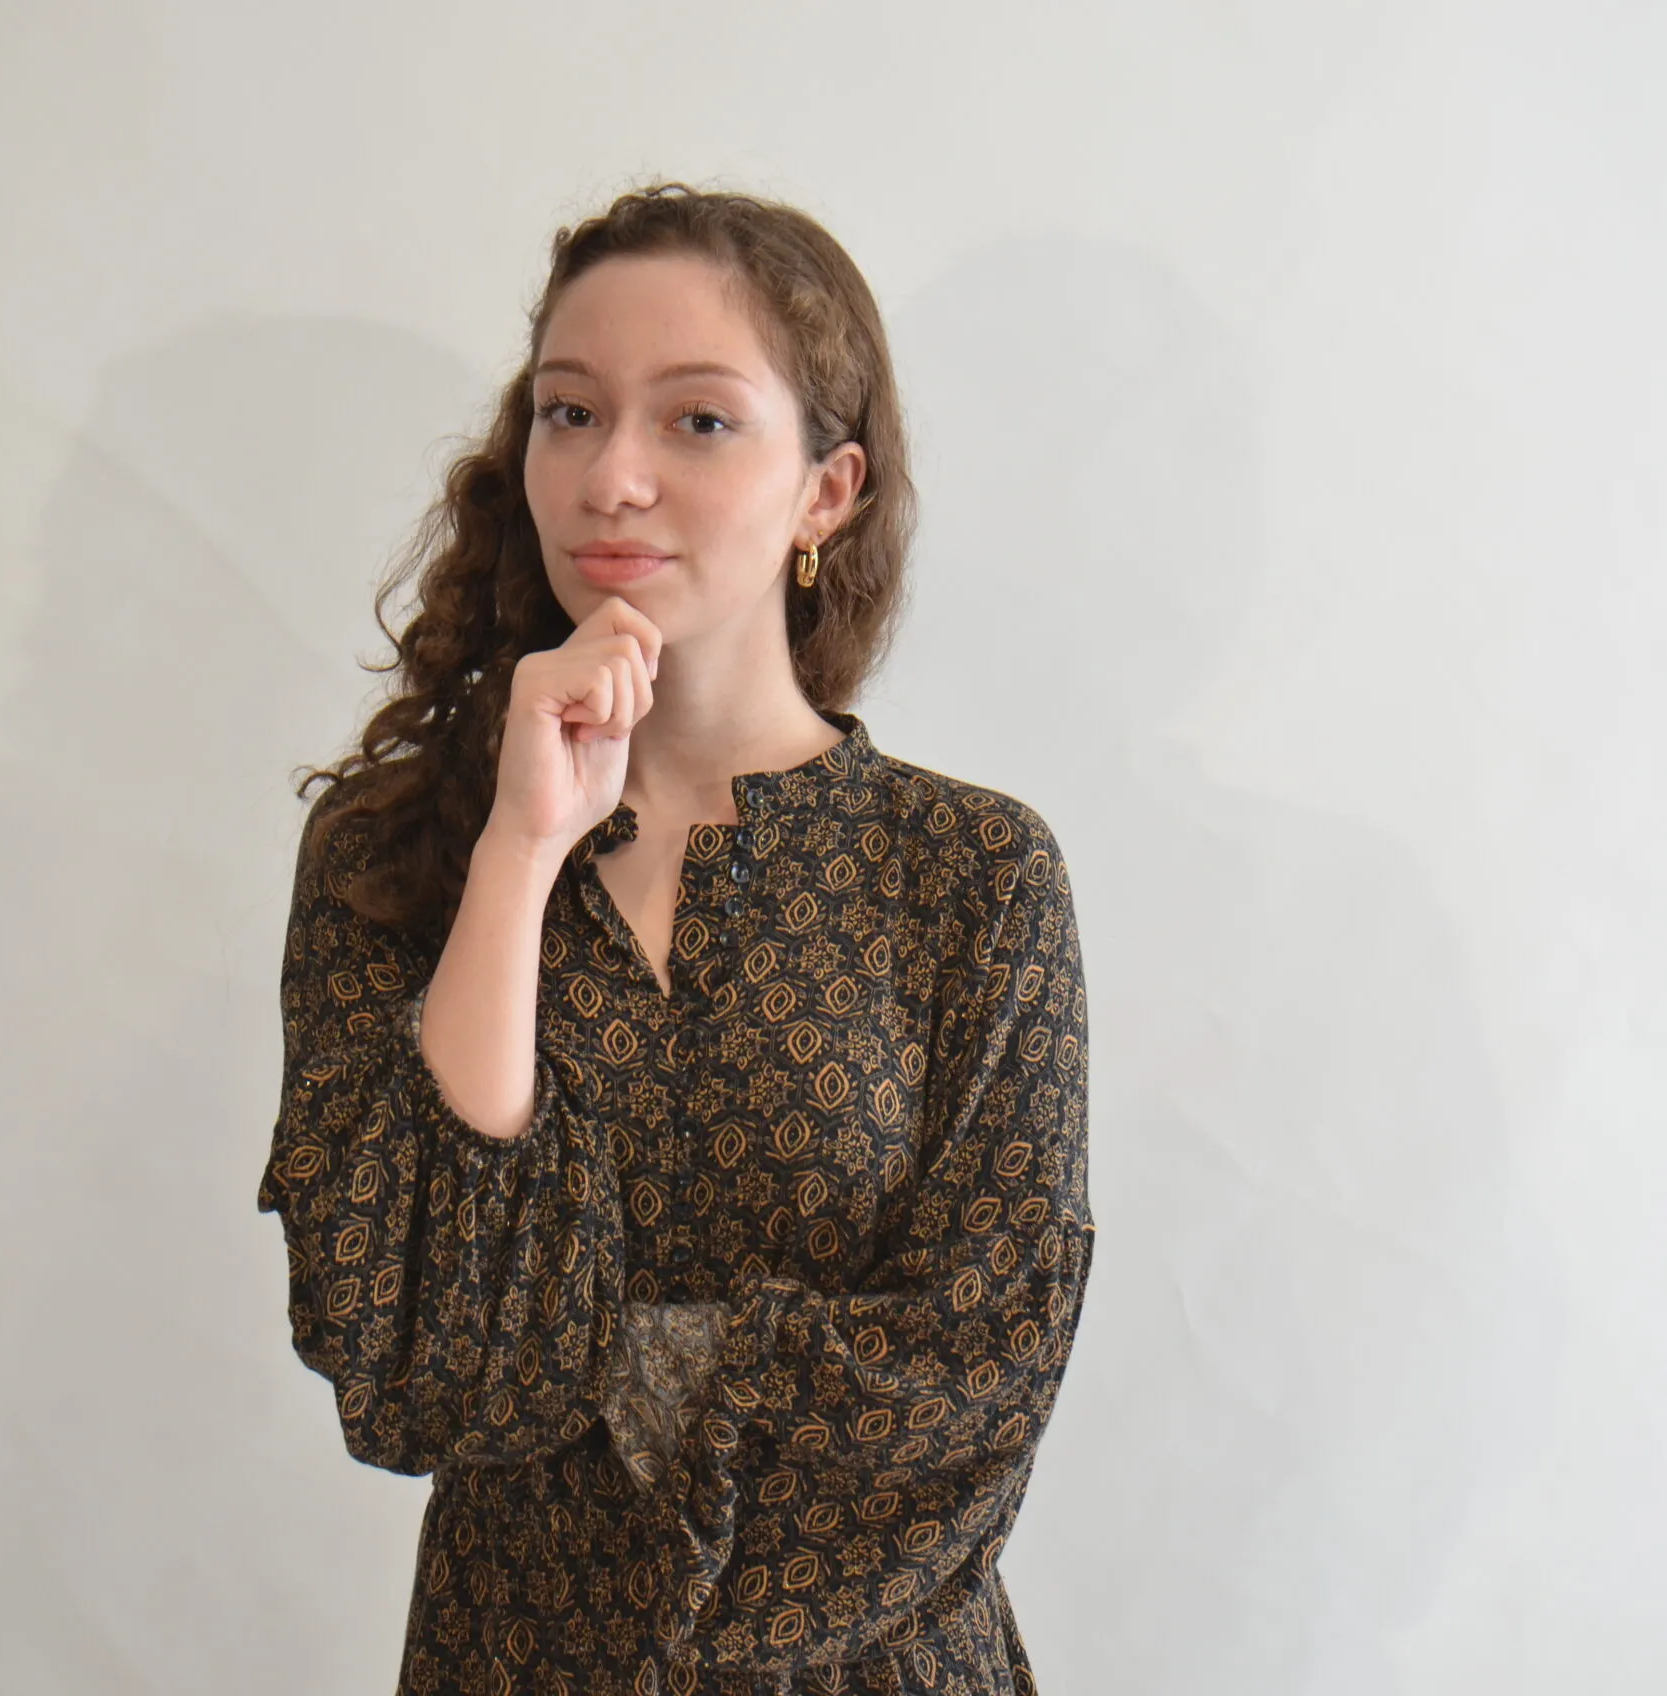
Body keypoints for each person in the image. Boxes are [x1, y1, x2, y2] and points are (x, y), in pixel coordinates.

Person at [257, 181, 1096, 1695]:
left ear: (826, 492)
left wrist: (587, 1364)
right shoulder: (395, 858)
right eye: (569, 415)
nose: (613, 478)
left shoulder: (971, 878)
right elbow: (409, 1355)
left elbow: (975, 1382)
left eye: (698, 421)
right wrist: (520, 850)